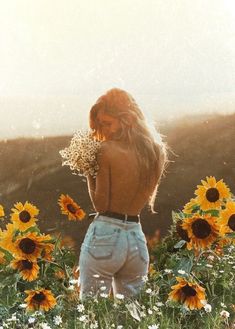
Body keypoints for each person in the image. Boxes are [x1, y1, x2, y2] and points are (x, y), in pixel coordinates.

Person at [78, 87, 168, 301]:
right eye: (100, 125)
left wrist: (88, 171)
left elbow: (100, 205)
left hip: (105, 237)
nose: (103, 130)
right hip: (136, 240)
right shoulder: (156, 152)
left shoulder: (106, 150)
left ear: (125, 119)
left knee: (91, 312)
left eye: (107, 123)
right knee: (131, 316)